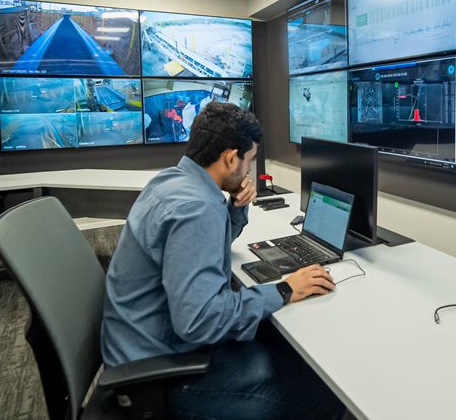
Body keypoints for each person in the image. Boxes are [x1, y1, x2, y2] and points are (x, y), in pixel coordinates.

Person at [101, 102, 342, 419]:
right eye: (249, 161)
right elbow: (201, 322)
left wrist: (236, 206)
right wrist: (284, 290)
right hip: (162, 374)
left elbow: (200, 249)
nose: (248, 172)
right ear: (231, 157)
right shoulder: (196, 208)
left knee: (278, 341)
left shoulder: (173, 182)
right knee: (325, 397)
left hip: (140, 343)